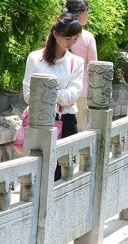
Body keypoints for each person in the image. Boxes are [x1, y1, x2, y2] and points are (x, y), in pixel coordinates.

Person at [22, 12, 84, 179]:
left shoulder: (76, 62)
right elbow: (28, 93)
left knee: (62, 174)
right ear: (56, 34)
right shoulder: (35, 58)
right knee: (37, 174)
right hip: (38, 121)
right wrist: (57, 94)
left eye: (75, 39)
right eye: (67, 38)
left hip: (65, 121)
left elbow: (72, 95)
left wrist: (45, 92)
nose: (71, 43)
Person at [65, 0, 97, 130]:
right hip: (82, 89)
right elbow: (93, 66)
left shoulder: (57, 33)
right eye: (87, 11)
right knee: (81, 128)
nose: (88, 15)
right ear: (79, 13)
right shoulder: (87, 37)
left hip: (61, 88)